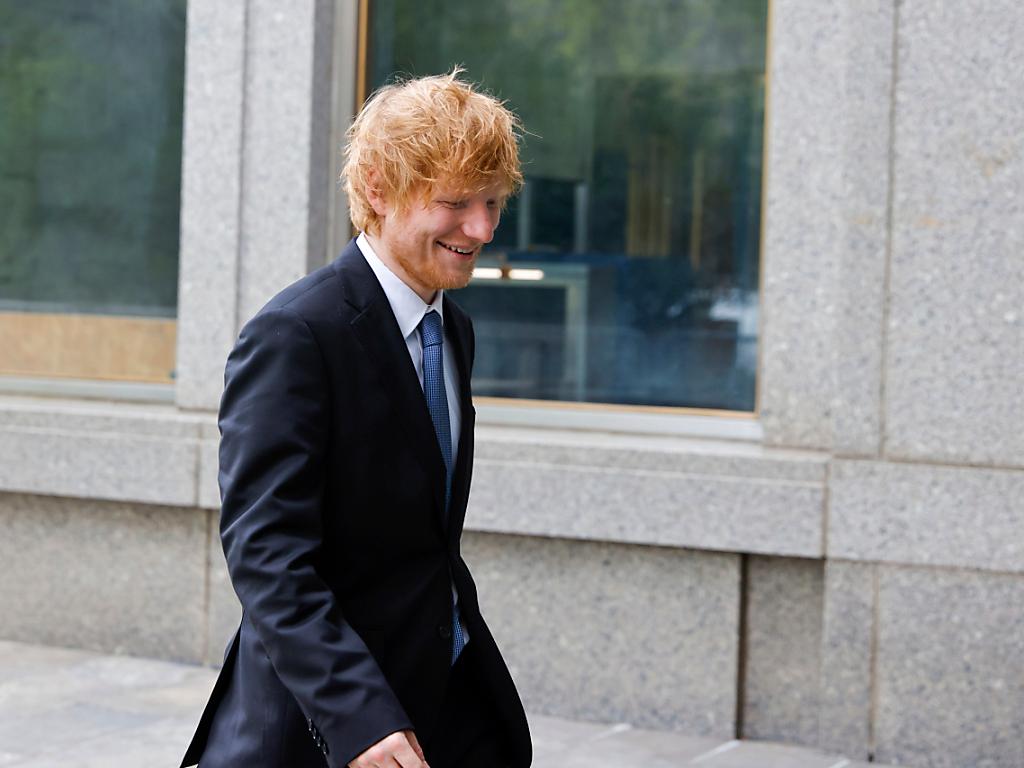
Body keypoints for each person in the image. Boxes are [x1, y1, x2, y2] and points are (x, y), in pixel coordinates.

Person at [181, 70, 531, 768]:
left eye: (492, 202)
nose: (482, 228)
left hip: (448, 697)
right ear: (377, 188)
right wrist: (359, 716)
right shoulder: (294, 334)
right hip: (329, 726)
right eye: (456, 202)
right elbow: (267, 555)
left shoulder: (453, 329)